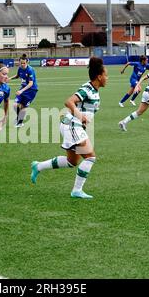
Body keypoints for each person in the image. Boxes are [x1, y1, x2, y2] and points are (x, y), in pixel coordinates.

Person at [30, 57, 108, 199]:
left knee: (72, 162)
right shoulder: (87, 89)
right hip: (72, 125)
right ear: (99, 76)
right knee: (90, 157)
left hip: (74, 126)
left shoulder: (94, 90)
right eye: (106, 75)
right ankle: (77, 191)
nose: (107, 78)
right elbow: (69, 101)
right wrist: (80, 116)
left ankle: (38, 166)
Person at [9, 54, 38, 127]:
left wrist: (21, 91)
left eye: (24, 63)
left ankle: (20, 123)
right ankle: (19, 118)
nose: (22, 64)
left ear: (27, 62)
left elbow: (31, 83)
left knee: (23, 107)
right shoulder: (20, 68)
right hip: (23, 88)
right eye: (21, 63)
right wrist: (9, 78)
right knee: (15, 105)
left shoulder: (30, 70)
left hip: (31, 91)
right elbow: (17, 76)